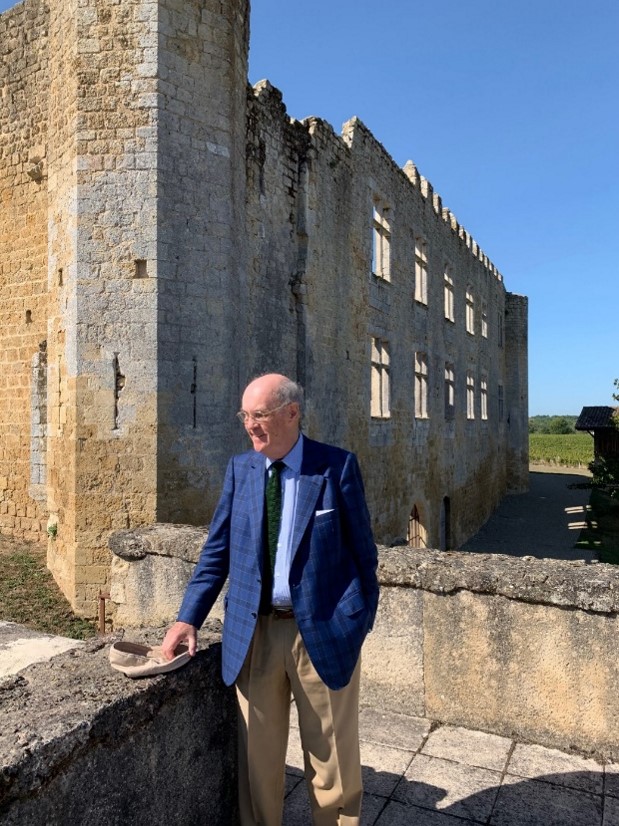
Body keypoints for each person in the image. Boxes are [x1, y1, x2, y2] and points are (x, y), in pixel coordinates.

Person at [162, 373, 379, 826]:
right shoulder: (241, 470)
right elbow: (216, 552)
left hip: (320, 633)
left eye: (259, 415)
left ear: (291, 413)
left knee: (332, 764)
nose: (249, 425)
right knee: (258, 767)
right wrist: (188, 618)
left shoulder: (335, 467)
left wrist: (354, 622)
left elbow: (364, 557)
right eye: (245, 415)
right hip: (254, 635)